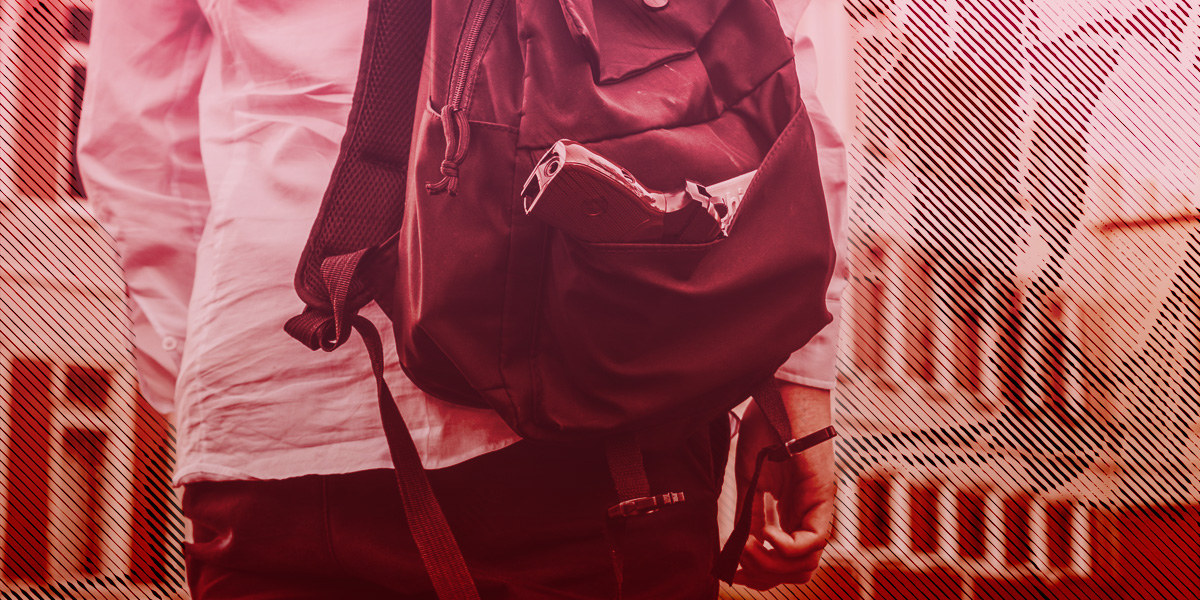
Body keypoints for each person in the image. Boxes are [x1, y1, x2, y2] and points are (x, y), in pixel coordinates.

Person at [78, 0, 847, 597]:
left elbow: (138, 137)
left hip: (266, 432)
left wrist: (223, 386)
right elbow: (777, 62)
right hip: (584, 392)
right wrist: (797, 378)